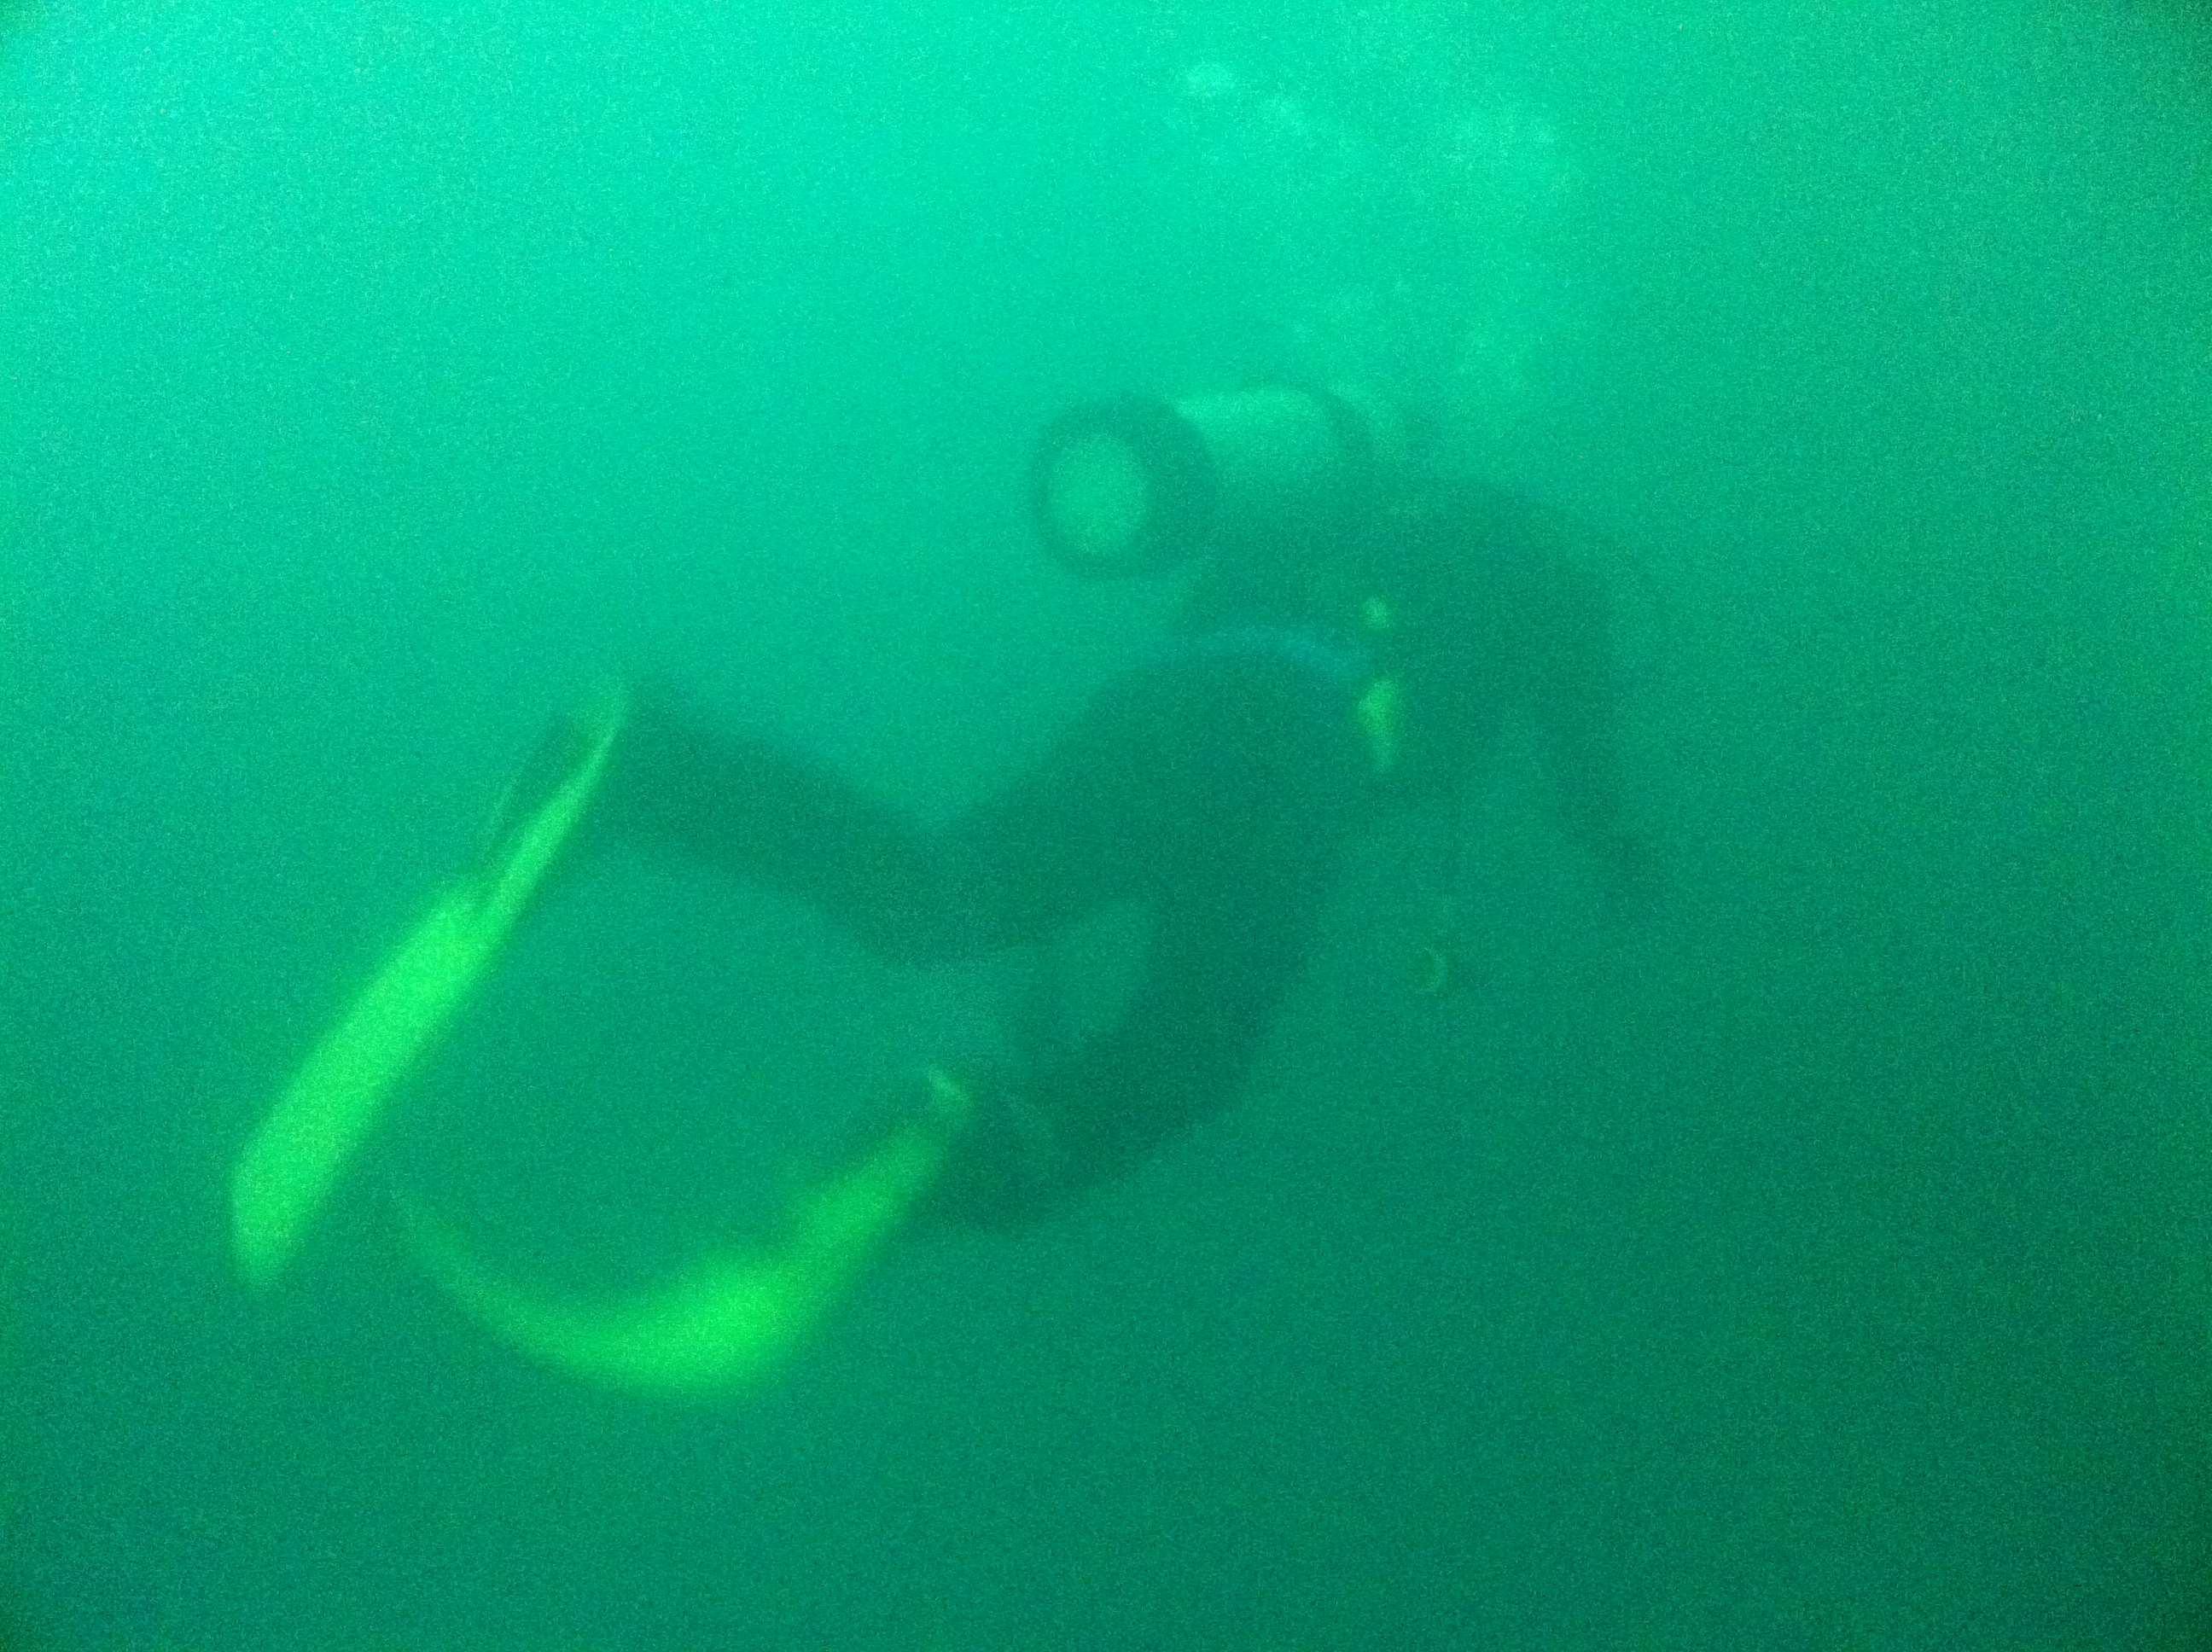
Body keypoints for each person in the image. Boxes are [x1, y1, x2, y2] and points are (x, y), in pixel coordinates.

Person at [572, 383, 1647, 1234]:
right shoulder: (1546, 569)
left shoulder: (1316, 510)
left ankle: (660, 770)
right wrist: (1617, 847)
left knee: (940, 896)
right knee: (1186, 1057)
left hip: (1162, 708)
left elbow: (1204, 640)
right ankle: (967, 1149)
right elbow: (1584, 772)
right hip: (1300, 761)